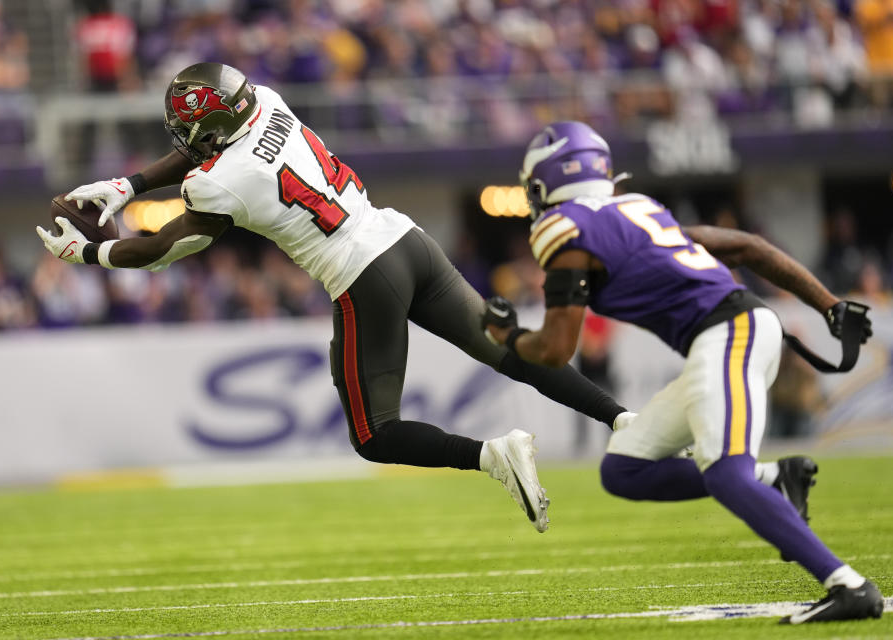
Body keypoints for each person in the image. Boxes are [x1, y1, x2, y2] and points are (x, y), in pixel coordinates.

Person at [36, 63, 631, 534]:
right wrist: (127, 185)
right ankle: (624, 419)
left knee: (375, 434)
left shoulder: (217, 184)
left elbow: (161, 248)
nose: (184, 142)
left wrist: (87, 255)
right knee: (511, 350)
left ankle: (493, 455)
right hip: (403, 237)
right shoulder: (266, 101)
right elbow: (203, 149)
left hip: (361, 274)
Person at [482, 121, 883, 623]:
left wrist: (509, 336)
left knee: (726, 475)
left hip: (729, 332)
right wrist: (828, 305)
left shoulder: (566, 230)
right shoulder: (639, 209)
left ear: (547, 183)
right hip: (728, 334)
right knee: (625, 468)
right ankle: (774, 479)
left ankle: (847, 585)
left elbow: (557, 349)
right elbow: (746, 247)